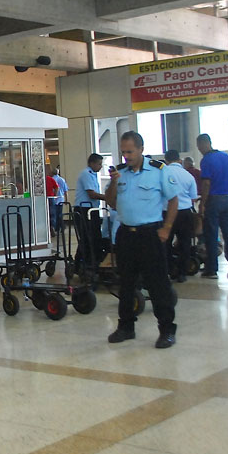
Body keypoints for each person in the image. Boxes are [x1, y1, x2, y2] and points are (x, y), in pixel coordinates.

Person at [104, 131, 180, 349]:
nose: (126, 156)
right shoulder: (119, 173)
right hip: (126, 234)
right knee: (126, 283)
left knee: (158, 284)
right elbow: (110, 202)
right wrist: (112, 184)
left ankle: (166, 330)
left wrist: (166, 228)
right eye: (123, 152)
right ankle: (126, 327)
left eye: (130, 151)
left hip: (151, 234)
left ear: (141, 149)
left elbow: (173, 199)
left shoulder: (158, 171)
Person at [196, 134, 228, 280]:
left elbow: (206, 184)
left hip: (213, 200)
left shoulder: (206, 160)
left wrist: (202, 204)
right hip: (227, 199)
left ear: (202, 145)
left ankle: (211, 269)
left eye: (199, 147)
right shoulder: (225, 157)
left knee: (211, 234)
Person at [163, 149, 199, 283]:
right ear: (180, 160)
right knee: (185, 243)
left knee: (165, 242)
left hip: (167, 212)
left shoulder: (162, 173)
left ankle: (170, 269)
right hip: (184, 213)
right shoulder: (188, 176)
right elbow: (193, 198)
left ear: (166, 160)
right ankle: (182, 273)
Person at [74, 154, 107, 266]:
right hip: (84, 210)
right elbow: (91, 194)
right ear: (92, 163)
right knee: (87, 237)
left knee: (93, 236)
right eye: (99, 164)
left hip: (92, 209)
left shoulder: (92, 175)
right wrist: (108, 197)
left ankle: (89, 261)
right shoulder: (86, 174)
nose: (100, 167)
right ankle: (81, 263)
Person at [51, 168, 68, 234]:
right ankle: (61, 226)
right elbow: (65, 191)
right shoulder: (62, 180)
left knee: (54, 214)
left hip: (54, 199)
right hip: (61, 198)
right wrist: (66, 199)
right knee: (60, 214)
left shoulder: (51, 179)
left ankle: (55, 227)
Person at [44, 171, 59, 237]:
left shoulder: (41, 180)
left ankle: (46, 228)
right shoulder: (50, 179)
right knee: (52, 213)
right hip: (51, 197)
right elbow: (56, 187)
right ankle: (52, 226)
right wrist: (55, 194)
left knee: (44, 213)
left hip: (43, 199)